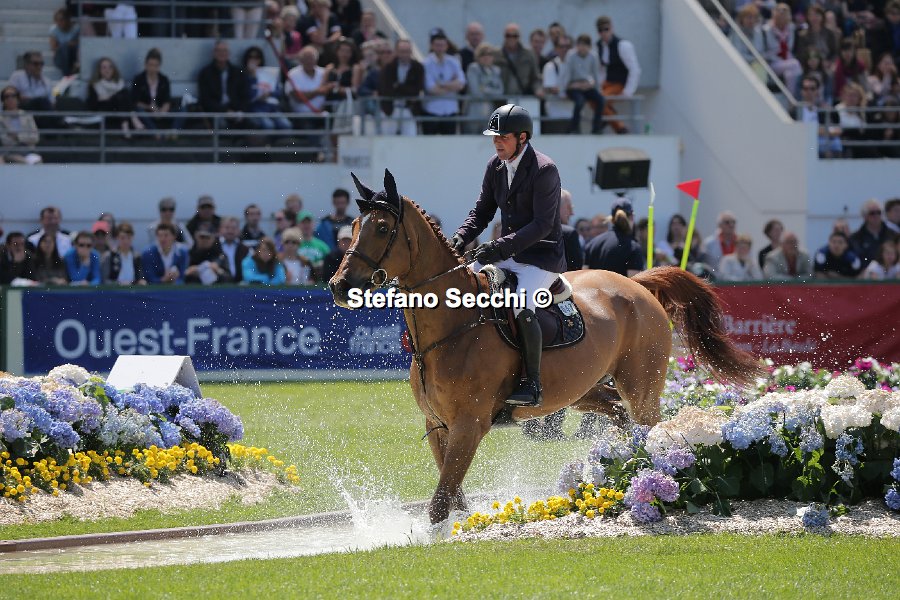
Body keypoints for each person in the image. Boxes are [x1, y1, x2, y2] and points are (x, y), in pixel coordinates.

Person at [450, 104, 565, 407]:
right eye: (494, 137)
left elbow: (542, 224)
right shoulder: (495, 166)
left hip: (541, 257)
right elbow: (482, 210)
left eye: (503, 137)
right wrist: (461, 236)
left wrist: (499, 247)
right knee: (461, 287)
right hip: (507, 252)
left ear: (522, 137)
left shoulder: (545, 169)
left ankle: (532, 382)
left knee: (521, 305)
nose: (497, 142)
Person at [596, 15, 641, 134]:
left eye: (606, 29)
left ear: (611, 28)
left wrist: (628, 91)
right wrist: (599, 86)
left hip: (619, 83)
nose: (604, 33)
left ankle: (619, 127)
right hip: (607, 83)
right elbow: (602, 69)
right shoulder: (599, 46)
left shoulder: (623, 45)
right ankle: (613, 119)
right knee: (593, 98)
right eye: (600, 30)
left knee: (600, 99)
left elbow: (634, 69)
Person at [583, 197, 644, 275]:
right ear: (632, 217)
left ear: (611, 218)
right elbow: (633, 280)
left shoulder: (592, 245)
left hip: (593, 283)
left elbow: (583, 276)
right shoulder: (633, 248)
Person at [422, 30, 466, 135]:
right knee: (429, 143)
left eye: (442, 45)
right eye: (437, 45)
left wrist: (441, 84)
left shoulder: (454, 62)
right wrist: (452, 85)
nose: (440, 48)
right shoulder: (426, 63)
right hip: (432, 110)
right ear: (432, 46)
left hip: (450, 110)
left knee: (449, 143)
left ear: (446, 46)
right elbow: (431, 88)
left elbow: (461, 83)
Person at [559, 34, 605, 135]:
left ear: (589, 47)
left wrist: (598, 90)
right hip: (573, 86)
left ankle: (596, 128)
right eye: (580, 45)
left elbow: (596, 74)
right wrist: (563, 90)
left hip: (587, 86)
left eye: (585, 45)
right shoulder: (571, 55)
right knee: (579, 101)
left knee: (601, 100)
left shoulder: (593, 56)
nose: (582, 48)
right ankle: (574, 128)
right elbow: (567, 73)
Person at [377, 39, 425, 136]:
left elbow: (417, 90)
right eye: (402, 51)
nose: (405, 55)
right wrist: (406, 90)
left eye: (407, 51)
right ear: (396, 52)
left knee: (410, 136)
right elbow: (386, 90)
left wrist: (398, 86)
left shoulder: (418, 67)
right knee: (387, 138)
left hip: (409, 108)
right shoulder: (389, 67)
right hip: (391, 109)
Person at [87, 57, 143, 136]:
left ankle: (125, 126)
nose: (107, 70)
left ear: (114, 69)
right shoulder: (95, 85)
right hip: (105, 112)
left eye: (110, 67)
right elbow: (93, 106)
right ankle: (134, 119)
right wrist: (108, 98)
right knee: (121, 94)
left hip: (119, 111)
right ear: (99, 70)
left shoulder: (119, 83)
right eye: (104, 67)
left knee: (124, 92)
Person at [242, 46, 292, 132]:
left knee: (286, 125)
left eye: (257, 57)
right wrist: (253, 77)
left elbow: (279, 92)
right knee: (268, 125)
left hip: (272, 107)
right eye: (251, 57)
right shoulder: (243, 74)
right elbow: (248, 95)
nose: (254, 60)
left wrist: (270, 93)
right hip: (256, 107)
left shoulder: (268, 73)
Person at [197, 41, 249, 122]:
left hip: (237, 111)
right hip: (215, 113)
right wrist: (224, 111)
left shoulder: (238, 72)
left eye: (224, 50)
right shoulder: (205, 73)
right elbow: (205, 99)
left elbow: (244, 95)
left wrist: (240, 111)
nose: (221, 53)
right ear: (214, 53)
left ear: (229, 53)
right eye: (218, 50)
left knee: (254, 124)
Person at [793, 75, 842, 158]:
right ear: (801, 91)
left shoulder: (824, 109)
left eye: (812, 89)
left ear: (817, 91)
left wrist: (819, 131)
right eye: (805, 89)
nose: (809, 92)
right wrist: (818, 131)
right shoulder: (795, 110)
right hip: (804, 143)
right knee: (819, 146)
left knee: (836, 143)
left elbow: (838, 130)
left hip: (821, 141)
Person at [493, 23, 543, 98]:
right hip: (501, 98)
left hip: (522, 97)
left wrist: (538, 90)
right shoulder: (496, 54)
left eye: (515, 36)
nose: (511, 38)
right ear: (504, 36)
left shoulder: (528, 54)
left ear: (519, 37)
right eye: (508, 36)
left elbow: (535, 78)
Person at [763, 3, 803, 93]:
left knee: (789, 74)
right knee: (795, 64)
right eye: (779, 11)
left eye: (785, 12)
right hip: (772, 63)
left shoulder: (792, 29)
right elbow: (763, 52)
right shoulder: (765, 30)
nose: (782, 14)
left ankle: (789, 98)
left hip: (787, 62)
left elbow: (791, 48)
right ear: (774, 14)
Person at [464, 44, 504, 134]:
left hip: (490, 112)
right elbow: (476, 92)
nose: (486, 57)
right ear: (478, 57)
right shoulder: (473, 68)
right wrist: (491, 90)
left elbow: (500, 92)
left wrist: (484, 89)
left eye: (489, 54)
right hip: (474, 111)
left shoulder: (496, 70)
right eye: (483, 54)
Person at [132, 48, 175, 132]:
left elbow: (167, 100)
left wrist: (162, 112)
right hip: (146, 111)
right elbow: (135, 101)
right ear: (145, 65)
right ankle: (155, 132)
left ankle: (173, 132)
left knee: (182, 111)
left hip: (160, 110)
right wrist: (150, 107)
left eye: (156, 66)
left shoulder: (164, 80)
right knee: (139, 111)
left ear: (159, 66)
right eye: (150, 65)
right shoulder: (138, 80)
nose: (152, 68)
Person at [286, 46, 335, 114]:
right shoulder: (292, 74)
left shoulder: (324, 72)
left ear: (316, 60)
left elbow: (331, 87)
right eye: (306, 58)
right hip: (299, 116)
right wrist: (318, 91)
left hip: (322, 114)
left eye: (311, 58)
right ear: (301, 60)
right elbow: (298, 97)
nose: (309, 61)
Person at [0, 86, 42, 165]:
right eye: (7, 96)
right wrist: (25, 138)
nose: (10, 99)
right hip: (10, 152)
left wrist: (18, 137)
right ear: (3, 100)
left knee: (37, 161)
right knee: (23, 162)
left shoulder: (27, 116)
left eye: (13, 96)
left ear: (18, 99)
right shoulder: (1, 119)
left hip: (29, 150)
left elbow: (35, 137)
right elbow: (5, 140)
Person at [542, 34, 574, 134]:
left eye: (568, 46)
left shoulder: (576, 65)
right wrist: (573, 90)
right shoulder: (551, 66)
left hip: (574, 117)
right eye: (561, 46)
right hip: (556, 117)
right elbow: (551, 89)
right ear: (556, 48)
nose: (565, 49)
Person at [850, 198, 895, 264]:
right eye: (872, 213)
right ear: (864, 216)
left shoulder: (893, 235)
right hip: (865, 269)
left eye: (878, 212)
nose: (876, 215)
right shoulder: (856, 238)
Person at [296, 211, 331, 281]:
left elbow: (330, 263)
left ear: (313, 224)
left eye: (308, 222)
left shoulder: (322, 246)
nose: (306, 225)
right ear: (297, 225)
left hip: (318, 283)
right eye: (303, 222)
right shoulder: (293, 244)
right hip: (297, 283)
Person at [49, 8, 80, 77]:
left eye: (61, 20)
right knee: (64, 47)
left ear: (67, 19)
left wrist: (70, 44)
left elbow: (80, 43)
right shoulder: (54, 30)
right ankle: (67, 75)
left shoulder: (76, 28)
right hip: (60, 58)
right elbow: (54, 48)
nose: (59, 22)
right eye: (57, 20)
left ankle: (72, 72)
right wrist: (67, 44)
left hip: (74, 55)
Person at [219, 216, 250, 282]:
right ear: (220, 229)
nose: (230, 231)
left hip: (240, 284)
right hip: (218, 285)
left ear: (238, 230)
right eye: (227, 228)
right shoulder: (214, 246)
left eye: (233, 228)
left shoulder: (245, 249)